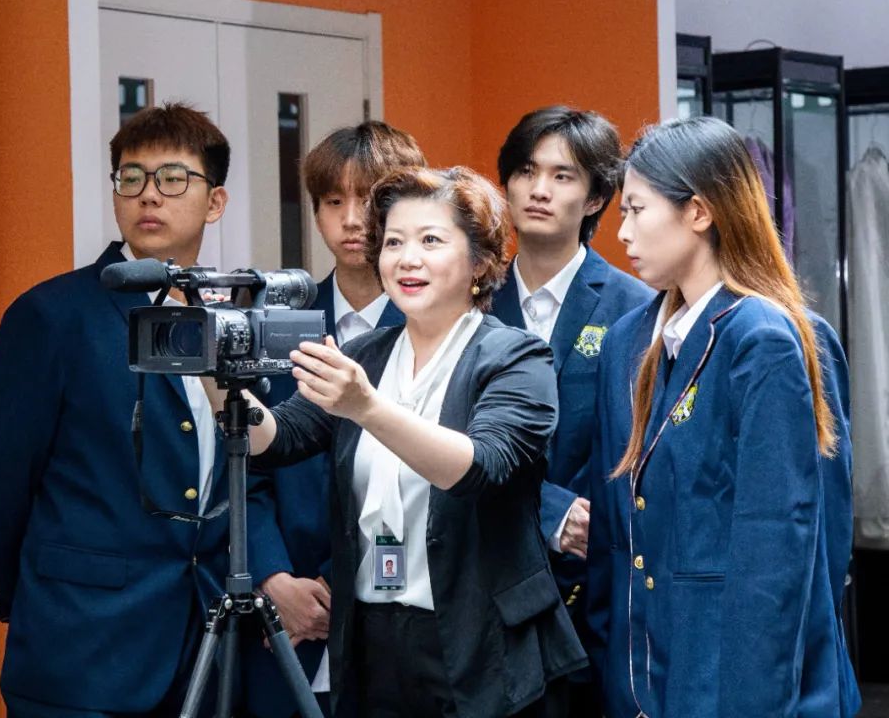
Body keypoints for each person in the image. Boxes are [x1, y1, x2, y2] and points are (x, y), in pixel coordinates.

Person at [226, 166, 586, 718]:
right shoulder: (367, 354)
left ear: (480, 262)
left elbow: (482, 467)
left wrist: (367, 408)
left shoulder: (517, 356)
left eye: (430, 240)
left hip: (482, 640)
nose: (407, 259)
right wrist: (221, 377)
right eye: (393, 242)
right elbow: (278, 439)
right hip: (372, 636)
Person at [0, 102, 232, 717]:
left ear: (215, 202)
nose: (148, 195)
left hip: (206, 647)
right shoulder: (53, 315)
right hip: (81, 647)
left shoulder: (231, 319)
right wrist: (29, 593)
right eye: (131, 178)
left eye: (173, 178)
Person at [585, 116, 859, 717]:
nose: (622, 232)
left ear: (699, 212)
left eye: (636, 210)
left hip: (736, 683)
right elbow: (620, 534)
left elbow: (787, 545)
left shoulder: (764, 338)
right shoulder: (635, 339)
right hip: (648, 675)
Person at [245, 121, 424, 718]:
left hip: (399, 612)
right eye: (332, 202)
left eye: (369, 200)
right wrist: (272, 576)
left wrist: (339, 581)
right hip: (286, 610)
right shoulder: (274, 321)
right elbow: (246, 466)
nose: (352, 220)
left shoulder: (436, 329)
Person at [489, 106, 653, 714]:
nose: (539, 189)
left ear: (595, 198)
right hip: (486, 584)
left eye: (563, 176)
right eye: (526, 171)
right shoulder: (469, 301)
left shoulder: (637, 307)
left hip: (592, 587)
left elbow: (640, 449)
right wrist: (551, 509)